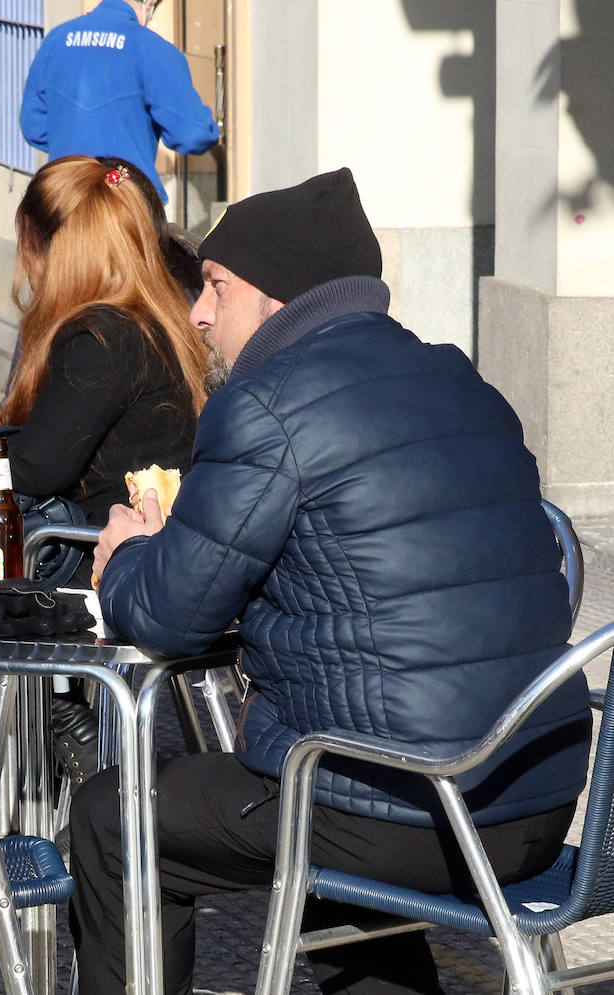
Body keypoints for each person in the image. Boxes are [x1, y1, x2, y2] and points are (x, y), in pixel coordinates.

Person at [71, 168, 592, 995]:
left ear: (276, 298)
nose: (198, 313)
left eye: (215, 286)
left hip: (409, 811)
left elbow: (169, 616)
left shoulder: (265, 404)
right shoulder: (462, 381)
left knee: (114, 816)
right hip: (535, 798)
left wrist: (129, 554)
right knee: (324, 792)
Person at [0, 155, 209, 777]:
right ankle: (14, 739)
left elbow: (35, 472)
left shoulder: (100, 333)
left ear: (52, 248)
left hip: (98, 553)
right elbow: (72, 439)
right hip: (162, 541)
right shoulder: (158, 318)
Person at [20, 0, 219, 204]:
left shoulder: (56, 40)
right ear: (149, 2)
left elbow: (34, 128)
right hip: (124, 193)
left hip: (64, 193)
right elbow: (193, 134)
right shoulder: (153, 48)